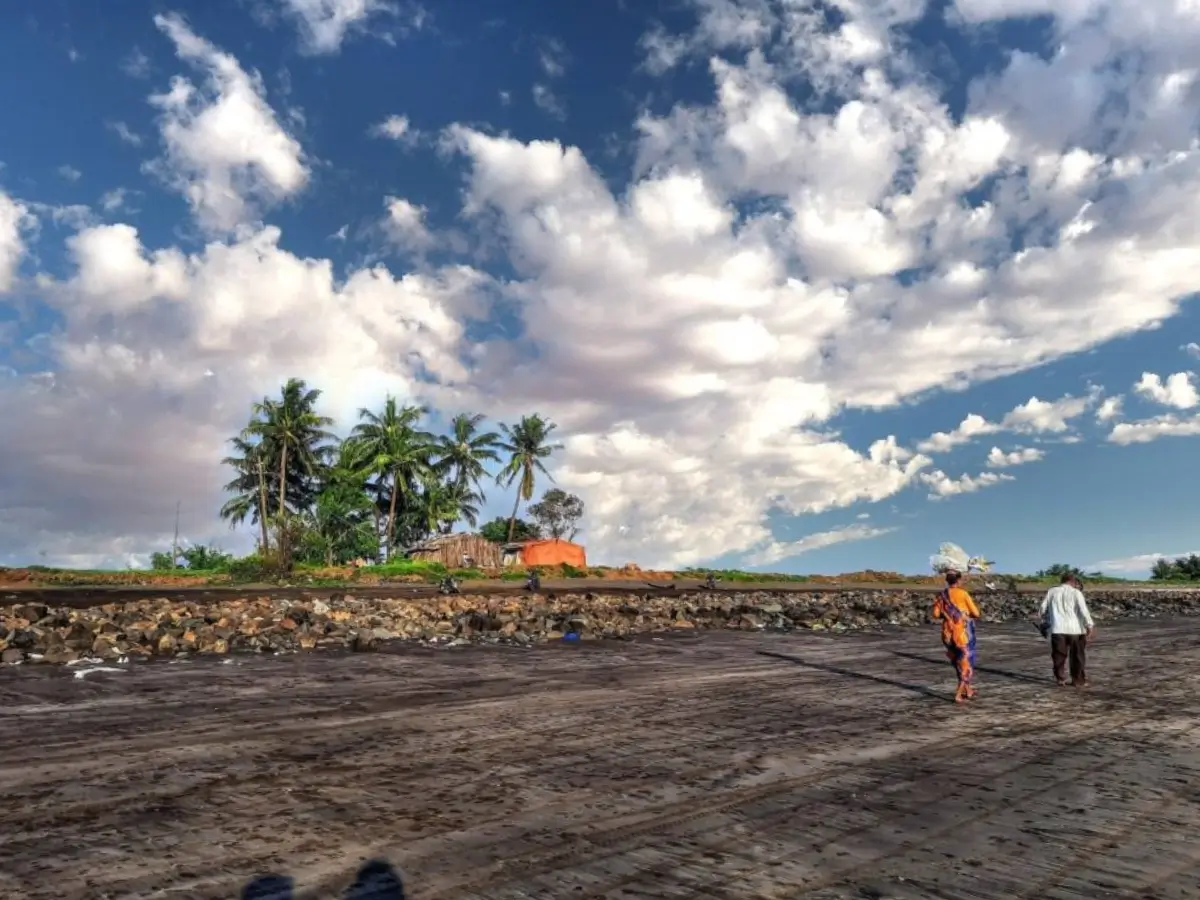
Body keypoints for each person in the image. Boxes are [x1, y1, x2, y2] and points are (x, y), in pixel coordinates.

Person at [931, 570, 981, 703]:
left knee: (958, 662)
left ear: (947, 581)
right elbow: (976, 613)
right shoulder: (963, 593)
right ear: (958, 580)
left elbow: (935, 614)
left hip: (947, 633)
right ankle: (958, 695)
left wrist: (948, 615)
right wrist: (962, 614)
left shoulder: (942, 596)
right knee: (966, 663)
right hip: (962, 633)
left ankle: (968, 690)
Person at [1039, 572, 1094, 687]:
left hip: (1057, 629)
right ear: (1073, 581)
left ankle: (1060, 679)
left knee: (1058, 656)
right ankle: (1078, 681)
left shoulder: (1052, 591)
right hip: (1076, 630)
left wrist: (1046, 622)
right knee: (1077, 656)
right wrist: (1089, 625)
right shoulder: (1076, 593)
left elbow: (1042, 609)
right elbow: (1083, 610)